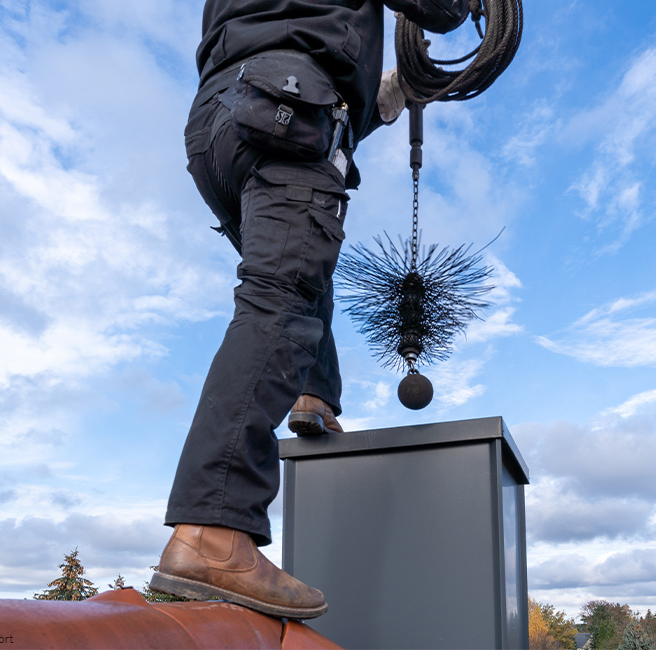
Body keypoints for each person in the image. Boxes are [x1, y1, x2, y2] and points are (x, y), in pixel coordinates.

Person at [150, 0, 468, 619]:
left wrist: (389, 91)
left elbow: (299, 36)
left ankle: (312, 396)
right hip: (285, 108)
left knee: (297, 273)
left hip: (222, 122)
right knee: (282, 295)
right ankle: (212, 533)